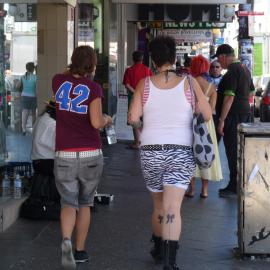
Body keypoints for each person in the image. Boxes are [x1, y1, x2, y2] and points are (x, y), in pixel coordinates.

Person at [129, 36, 211, 270]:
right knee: (173, 207)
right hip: (180, 151)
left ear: (153, 60)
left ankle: (158, 248)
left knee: (158, 205)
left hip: (150, 150)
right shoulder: (189, 83)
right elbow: (205, 114)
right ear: (174, 57)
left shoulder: (143, 84)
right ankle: (170, 262)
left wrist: (144, 129)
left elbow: (133, 119)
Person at [52, 45, 112, 269]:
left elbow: (69, 74)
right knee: (85, 202)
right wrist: (107, 119)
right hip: (89, 154)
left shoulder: (58, 81)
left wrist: (77, 68)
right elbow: (96, 122)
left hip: (64, 153)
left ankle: (66, 240)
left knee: (68, 202)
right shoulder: (94, 88)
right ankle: (79, 251)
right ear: (93, 65)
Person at [213, 44, 254, 198]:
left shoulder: (231, 72)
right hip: (244, 114)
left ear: (223, 56)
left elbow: (229, 97)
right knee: (239, 150)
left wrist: (222, 120)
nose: (219, 63)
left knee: (232, 150)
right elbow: (251, 91)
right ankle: (238, 183)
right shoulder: (244, 69)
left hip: (233, 116)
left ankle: (234, 186)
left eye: (219, 59)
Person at [185, 55, 223, 198]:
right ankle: (205, 190)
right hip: (207, 124)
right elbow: (212, 110)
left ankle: (192, 189)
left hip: (190, 123)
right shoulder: (212, 87)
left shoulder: (188, 84)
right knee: (205, 152)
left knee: (190, 154)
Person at [123, 50, 152, 149]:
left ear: (133, 59)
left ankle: (137, 142)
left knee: (134, 119)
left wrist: (135, 91)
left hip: (133, 98)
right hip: (146, 97)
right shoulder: (147, 70)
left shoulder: (129, 70)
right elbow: (151, 84)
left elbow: (127, 84)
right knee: (145, 119)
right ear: (142, 59)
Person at [17, 62, 37, 135]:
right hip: (33, 96)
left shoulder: (23, 77)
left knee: (25, 112)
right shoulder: (35, 77)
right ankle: (34, 129)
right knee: (33, 113)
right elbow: (37, 88)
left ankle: (24, 129)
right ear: (33, 69)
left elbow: (17, 86)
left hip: (24, 96)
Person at [209, 60, 223, 143]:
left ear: (221, 68)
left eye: (217, 67)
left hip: (221, 110)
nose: (215, 69)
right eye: (213, 67)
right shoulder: (206, 80)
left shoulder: (224, 79)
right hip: (210, 111)